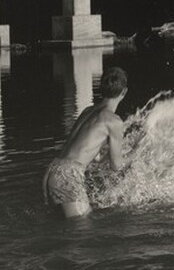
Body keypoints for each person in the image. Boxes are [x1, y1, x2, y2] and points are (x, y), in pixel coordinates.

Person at [42, 66, 129, 218]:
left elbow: (91, 157)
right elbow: (117, 166)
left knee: (65, 227)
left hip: (52, 170)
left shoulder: (88, 111)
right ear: (124, 92)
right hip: (68, 175)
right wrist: (139, 150)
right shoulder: (114, 121)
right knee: (83, 230)